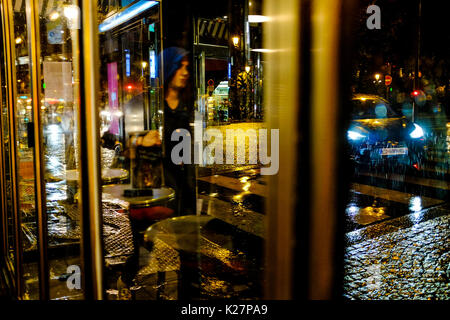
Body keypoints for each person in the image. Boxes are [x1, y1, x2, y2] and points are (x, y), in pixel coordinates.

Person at [136, 47, 197, 217]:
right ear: (168, 68)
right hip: (159, 182)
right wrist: (141, 141)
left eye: (187, 68)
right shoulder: (147, 103)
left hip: (186, 184)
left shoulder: (190, 105)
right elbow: (113, 139)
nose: (185, 73)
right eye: (180, 67)